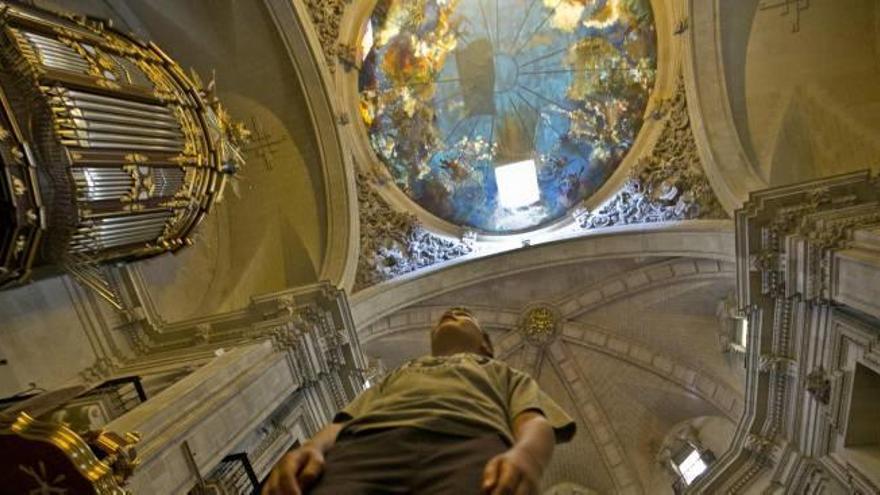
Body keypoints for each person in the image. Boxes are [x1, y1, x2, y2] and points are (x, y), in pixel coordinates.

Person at [262, 307, 576, 495]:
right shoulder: (399, 373)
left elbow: (535, 421)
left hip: (469, 447)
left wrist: (527, 457)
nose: (450, 314)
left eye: (463, 316)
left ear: (486, 345)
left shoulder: (502, 372)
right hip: (365, 447)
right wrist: (311, 448)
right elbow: (343, 423)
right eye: (444, 317)